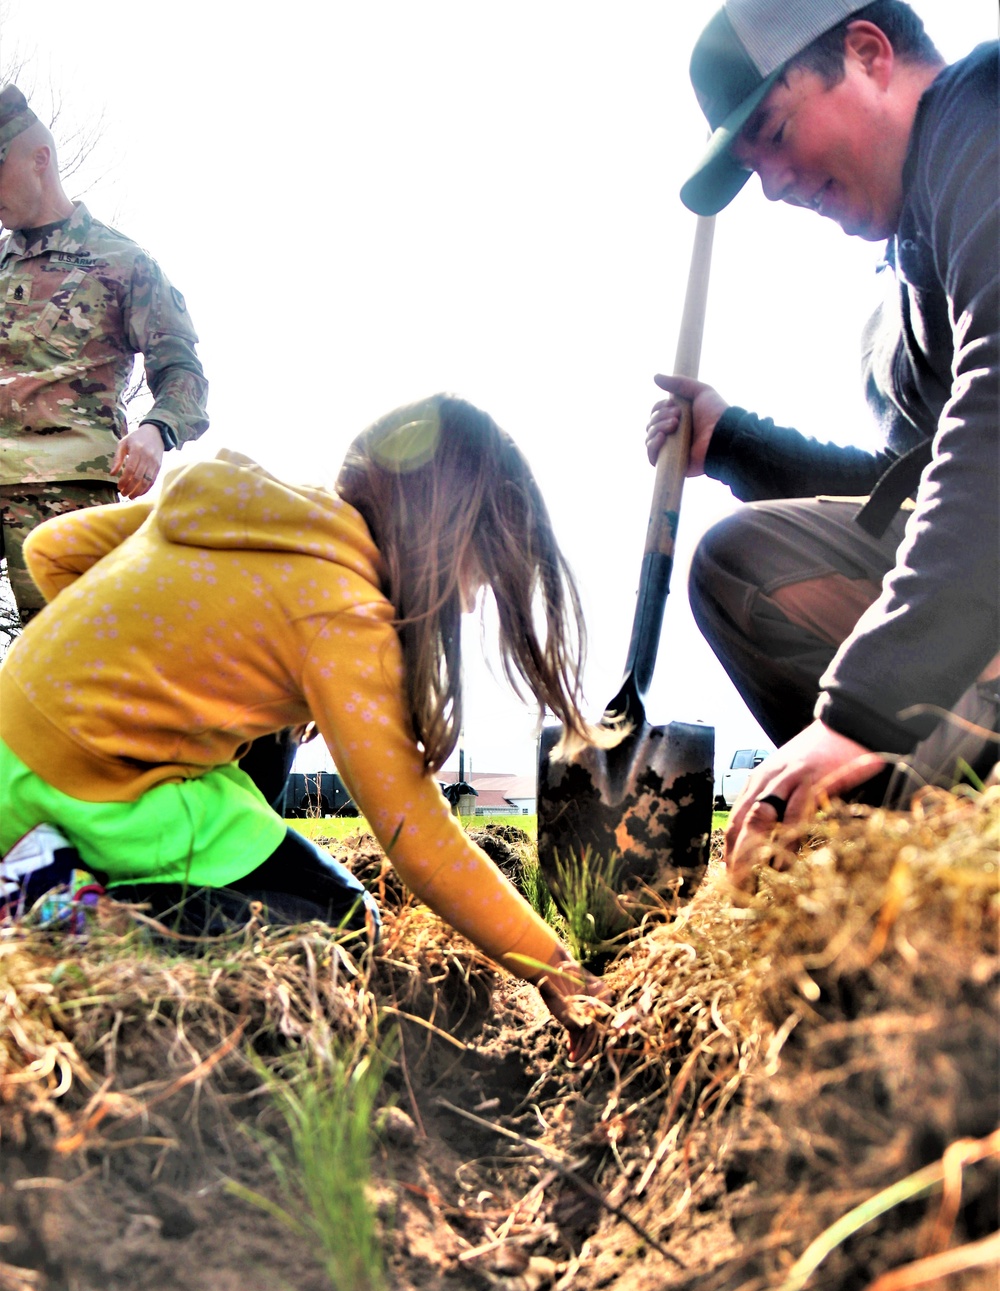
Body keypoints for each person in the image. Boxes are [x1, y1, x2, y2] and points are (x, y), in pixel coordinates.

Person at [0, 394, 613, 1060]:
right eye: (477, 572)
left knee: (269, 733)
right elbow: (420, 841)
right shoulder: (344, 616)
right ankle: (71, 916)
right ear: (441, 541)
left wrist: (137, 675)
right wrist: (556, 969)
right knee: (341, 927)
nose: (469, 598)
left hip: (13, 757)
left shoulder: (234, 502)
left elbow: (49, 549)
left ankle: (65, 868)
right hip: (90, 789)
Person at [646, 0, 999, 885]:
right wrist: (733, 441)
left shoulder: (982, 112)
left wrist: (861, 712)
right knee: (739, 562)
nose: (771, 184)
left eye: (770, 131)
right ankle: (906, 843)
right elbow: (908, 490)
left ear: (869, 54)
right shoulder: (907, 287)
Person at [0, 85, 209, 624]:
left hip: (64, 493)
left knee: (68, 663)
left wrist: (155, 430)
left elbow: (181, 369)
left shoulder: (123, 262)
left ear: (38, 160)